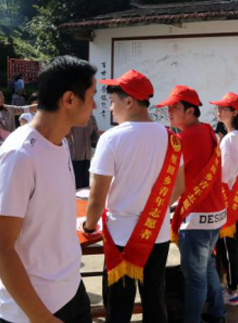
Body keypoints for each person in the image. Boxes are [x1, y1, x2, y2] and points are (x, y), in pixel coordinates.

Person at [0, 56, 96, 323]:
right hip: (29, 311)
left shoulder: (61, 143)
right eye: (92, 96)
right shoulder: (19, 155)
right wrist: (41, 317)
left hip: (70, 291)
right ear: (69, 99)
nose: (94, 105)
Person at [83, 69, 184, 323]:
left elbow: (97, 197)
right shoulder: (172, 139)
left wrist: (89, 226)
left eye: (112, 102)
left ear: (128, 102)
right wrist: (156, 209)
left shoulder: (112, 138)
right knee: (154, 300)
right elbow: (180, 185)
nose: (111, 108)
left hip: (121, 238)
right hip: (157, 233)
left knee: (118, 307)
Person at [157, 85, 227, 323]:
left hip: (197, 219)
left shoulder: (184, 139)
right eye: (168, 108)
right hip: (216, 214)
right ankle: (218, 313)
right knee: (207, 267)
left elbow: (174, 181)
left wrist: (161, 206)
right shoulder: (207, 131)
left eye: (174, 107)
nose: (169, 112)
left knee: (195, 278)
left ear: (190, 110)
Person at [210, 92, 238, 307]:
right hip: (235, 198)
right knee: (230, 248)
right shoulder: (236, 136)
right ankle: (231, 287)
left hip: (229, 201)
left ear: (234, 112)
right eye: (218, 107)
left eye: (224, 108)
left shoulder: (231, 139)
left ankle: (233, 291)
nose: (219, 110)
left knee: (229, 248)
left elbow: (223, 174)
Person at [68, 115, 99, 189]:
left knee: (85, 186)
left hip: (87, 156)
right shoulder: (71, 116)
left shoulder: (91, 118)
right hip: (74, 156)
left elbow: (94, 134)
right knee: (75, 185)